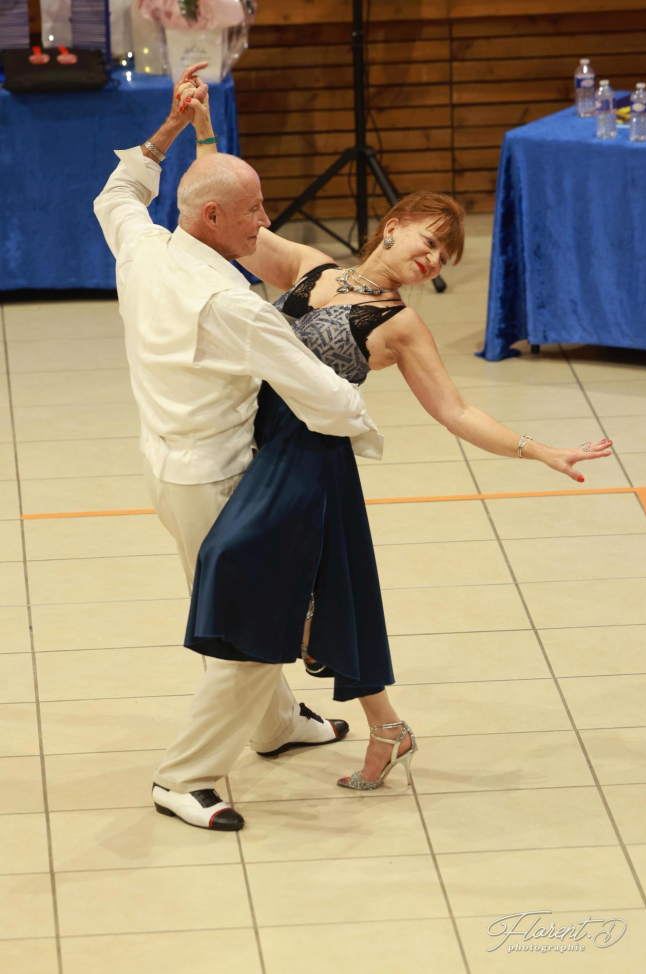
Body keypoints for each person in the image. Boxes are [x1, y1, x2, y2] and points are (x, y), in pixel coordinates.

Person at [174, 73, 615, 799]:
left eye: (446, 254)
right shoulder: (309, 265)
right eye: (431, 239)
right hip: (258, 443)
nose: (435, 257)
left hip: (309, 463)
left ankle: (258, 721)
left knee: (239, 564)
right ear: (394, 224)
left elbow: (456, 411)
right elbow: (233, 227)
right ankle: (381, 726)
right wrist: (203, 132)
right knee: (330, 599)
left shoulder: (399, 325)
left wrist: (540, 449)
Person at [93, 63, 386, 833]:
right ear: (213, 216)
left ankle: (273, 725)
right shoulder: (227, 302)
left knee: (241, 614)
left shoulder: (144, 248)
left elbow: (116, 194)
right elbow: (316, 392)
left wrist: (170, 127)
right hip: (223, 482)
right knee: (254, 633)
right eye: (252, 211)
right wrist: (365, 419)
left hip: (166, 469)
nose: (265, 221)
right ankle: (183, 778)